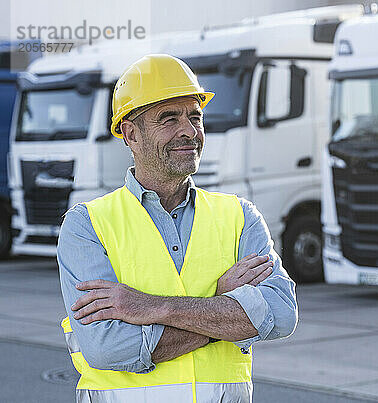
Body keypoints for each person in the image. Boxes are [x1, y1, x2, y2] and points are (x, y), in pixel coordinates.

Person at [57, 54, 298, 403]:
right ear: (131, 133)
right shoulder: (87, 225)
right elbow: (107, 348)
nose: (189, 131)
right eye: (169, 118)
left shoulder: (240, 216)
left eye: (195, 116)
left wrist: (153, 307)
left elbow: (280, 314)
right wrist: (223, 310)